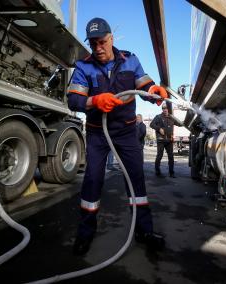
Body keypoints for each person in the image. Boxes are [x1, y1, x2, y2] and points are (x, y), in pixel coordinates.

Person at [66, 17, 168, 256]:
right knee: (92, 181)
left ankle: (144, 231)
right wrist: (94, 100)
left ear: (112, 38)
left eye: (102, 42)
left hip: (126, 132)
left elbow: (145, 86)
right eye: (93, 44)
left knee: (136, 181)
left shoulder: (130, 60)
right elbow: (74, 99)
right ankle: (85, 234)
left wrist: (155, 91)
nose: (98, 48)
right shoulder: (84, 67)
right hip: (97, 134)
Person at [150, 102, 182, 177]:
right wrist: (159, 129)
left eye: (166, 108)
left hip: (169, 140)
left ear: (168, 109)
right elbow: (151, 124)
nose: (165, 110)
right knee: (159, 156)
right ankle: (157, 171)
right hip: (161, 140)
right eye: (163, 108)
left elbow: (180, 124)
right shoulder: (158, 117)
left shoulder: (171, 117)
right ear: (162, 109)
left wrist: (177, 119)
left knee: (171, 157)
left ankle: (171, 173)